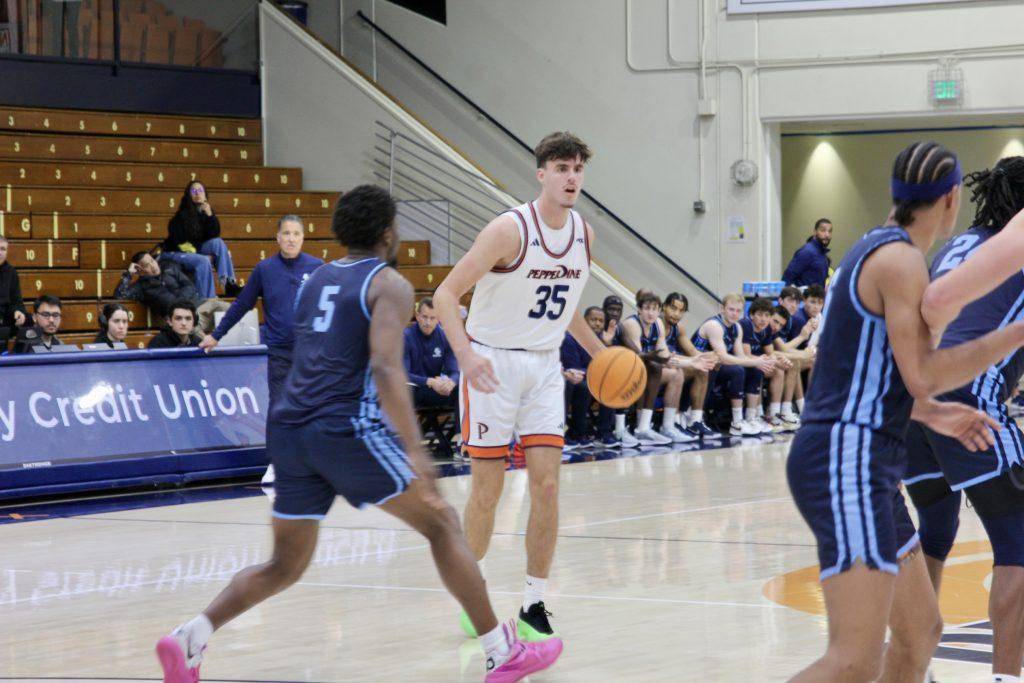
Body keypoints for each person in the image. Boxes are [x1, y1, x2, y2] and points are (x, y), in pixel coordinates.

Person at [154, 185, 562, 683]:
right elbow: (388, 368)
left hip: (289, 427)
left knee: (285, 564)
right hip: (343, 426)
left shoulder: (314, 278)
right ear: (389, 233)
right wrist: (417, 454)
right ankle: (502, 651)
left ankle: (190, 637)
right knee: (442, 524)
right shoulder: (388, 283)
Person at [786, 141, 1024, 683]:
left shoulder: (884, 251)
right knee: (852, 659)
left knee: (921, 634)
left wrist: (938, 415)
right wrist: (1011, 335)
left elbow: (896, 375)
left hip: (867, 457)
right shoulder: (899, 262)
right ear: (950, 199)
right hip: (845, 461)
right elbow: (925, 372)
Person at [432, 132, 606, 642]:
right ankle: (475, 597)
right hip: (492, 365)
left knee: (548, 487)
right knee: (487, 492)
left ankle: (534, 604)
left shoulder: (583, 235)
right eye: (562, 168)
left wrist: (602, 356)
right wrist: (464, 355)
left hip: (544, 367)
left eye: (578, 168)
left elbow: (565, 302)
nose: (572, 177)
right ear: (542, 174)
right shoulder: (509, 230)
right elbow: (445, 295)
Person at [902, 156, 1024, 682]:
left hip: (907, 402)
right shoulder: (1014, 248)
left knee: (937, 525)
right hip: (967, 401)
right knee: (1019, 544)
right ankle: (1004, 678)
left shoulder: (956, 246)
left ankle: (915, 667)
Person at [200, 215, 324, 404]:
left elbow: (330, 308)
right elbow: (242, 304)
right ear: (278, 238)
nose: (291, 238)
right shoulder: (264, 269)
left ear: (303, 237)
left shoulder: (317, 267)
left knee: (313, 409)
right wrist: (217, 335)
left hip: (310, 353)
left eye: (296, 234)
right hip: (279, 354)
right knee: (280, 410)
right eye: (287, 233)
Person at [692, 294, 775, 436]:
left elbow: (740, 356)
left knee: (755, 370)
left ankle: (750, 418)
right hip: (698, 365)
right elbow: (723, 357)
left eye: (738, 311)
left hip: (716, 366)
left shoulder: (737, 327)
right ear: (722, 309)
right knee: (737, 370)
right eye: (731, 309)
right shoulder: (714, 325)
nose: (735, 314)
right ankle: (736, 422)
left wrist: (759, 362)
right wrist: (755, 361)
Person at [114, 251, 229, 334]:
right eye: (146, 265)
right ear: (139, 270)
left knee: (226, 307)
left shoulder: (169, 268)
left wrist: (179, 302)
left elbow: (189, 285)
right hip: (182, 319)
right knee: (191, 330)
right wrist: (129, 274)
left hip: (200, 305)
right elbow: (120, 295)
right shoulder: (142, 287)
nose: (153, 266)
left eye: (152, 261)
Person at [163, 180, 241, 297]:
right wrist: (200, 254)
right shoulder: (181, 216)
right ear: (189, 195)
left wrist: (210, 216)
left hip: (195, 249)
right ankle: (208, 300)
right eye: (194, 191)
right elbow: (181, 243)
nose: (197, 193)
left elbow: (214, 234)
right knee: (203, 261)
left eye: (200, 190)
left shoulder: (205, 212)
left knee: (218, 243)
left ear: (205, 194)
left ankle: (229, 284)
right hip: (176, 251)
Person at [662, 291, 718, 438]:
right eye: (673, 308)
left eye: (681, 311)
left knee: (704, 368)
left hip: (674, 365)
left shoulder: (679, 327)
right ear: (664, 307)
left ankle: (695, 420)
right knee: (680, 371)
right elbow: (665, 356)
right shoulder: (657, 324)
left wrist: (711, 357)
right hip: (658, 368)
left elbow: (692, 350)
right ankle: (672, 422)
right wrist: (695, 361)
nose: (676, 314)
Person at [739, 297, 793, 432]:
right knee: (761, 368)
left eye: (767, 315)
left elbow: (771, 354)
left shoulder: (766, 329)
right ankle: (757, 414)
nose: (763, 319)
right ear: (751, 315)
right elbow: (745, 355)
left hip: (755, 361)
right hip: (738, 361)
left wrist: (781, 361)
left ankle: (773, 414)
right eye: (760, 315)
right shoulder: (745, 325)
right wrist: (765, 361)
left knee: (779, 370)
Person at [560, 306, 606, 448]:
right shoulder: (570, 338)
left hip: (588, 377)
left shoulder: (602, 340)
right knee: (582, 386)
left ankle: (605, 432)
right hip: (569, 377)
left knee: (612, 386)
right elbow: (574, 369)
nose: (597, 323)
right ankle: (568, 432)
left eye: (601, 321)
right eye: (593, 319)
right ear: (584, 321)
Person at [404, 297, 460, 410]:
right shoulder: (405, 337)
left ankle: (459, 428)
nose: (428, 322)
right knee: (406, 391)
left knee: (462, 391)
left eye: (432, 318)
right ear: (417, 316)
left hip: (436, 390)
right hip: (416, 388)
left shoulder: (445, 337)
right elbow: (403, 375)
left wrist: (451, 382)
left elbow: (455, 371)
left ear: (438, 319)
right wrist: (430, 381)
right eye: (424, 317)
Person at [782, 218, 833, 287]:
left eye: (830, 231)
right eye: (823, 230)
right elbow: (787, 279)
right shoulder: (806, 252)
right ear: (815, 232)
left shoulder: (822, 254)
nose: (827, 235)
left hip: (818, 296)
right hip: (805, 297)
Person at [0, 235, 26, 345]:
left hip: (4, 321)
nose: (0, 252)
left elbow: (17, 301)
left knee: (28, 319)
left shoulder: (11, 272)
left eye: (3, 249)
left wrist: (18, 312)